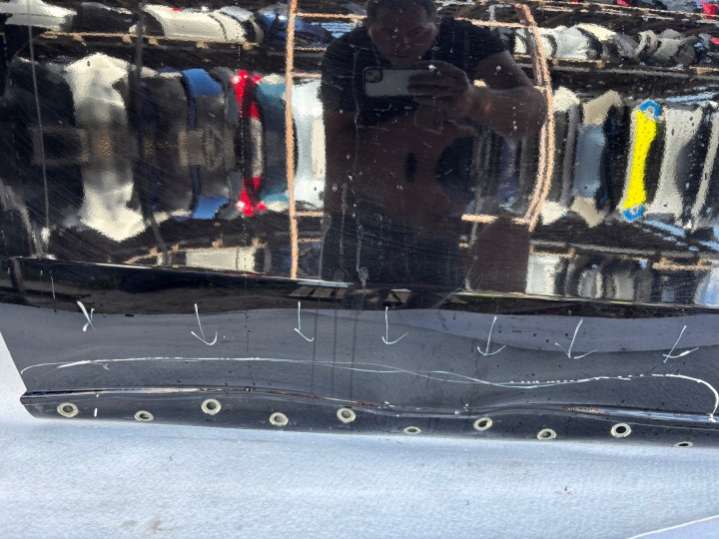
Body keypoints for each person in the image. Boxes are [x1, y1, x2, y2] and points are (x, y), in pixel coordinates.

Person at [319, 0, 545, 288]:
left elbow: (533, 111)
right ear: (369, 27)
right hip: (376, 211)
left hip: (433, 210)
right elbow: (338, 149)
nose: (402, 43)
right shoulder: (348, 51)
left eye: (416, 33)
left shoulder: (464, 38)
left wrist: (475, 101)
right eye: (388, 33)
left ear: (436, 24)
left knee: (434, 300)